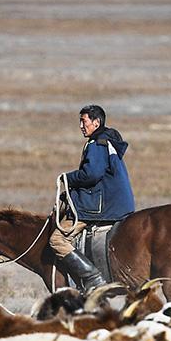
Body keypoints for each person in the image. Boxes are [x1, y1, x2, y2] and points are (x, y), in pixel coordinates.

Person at [50, 104, 135, 292]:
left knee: (57, 240)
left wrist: (67, 178)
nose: (81, 126)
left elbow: (92, 174)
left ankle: (93, 278)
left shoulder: (97, 143)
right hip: (118, 203)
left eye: (84, 121)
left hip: (103, 206)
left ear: (96, 122)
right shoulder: (108, 141)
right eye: (80, 121)